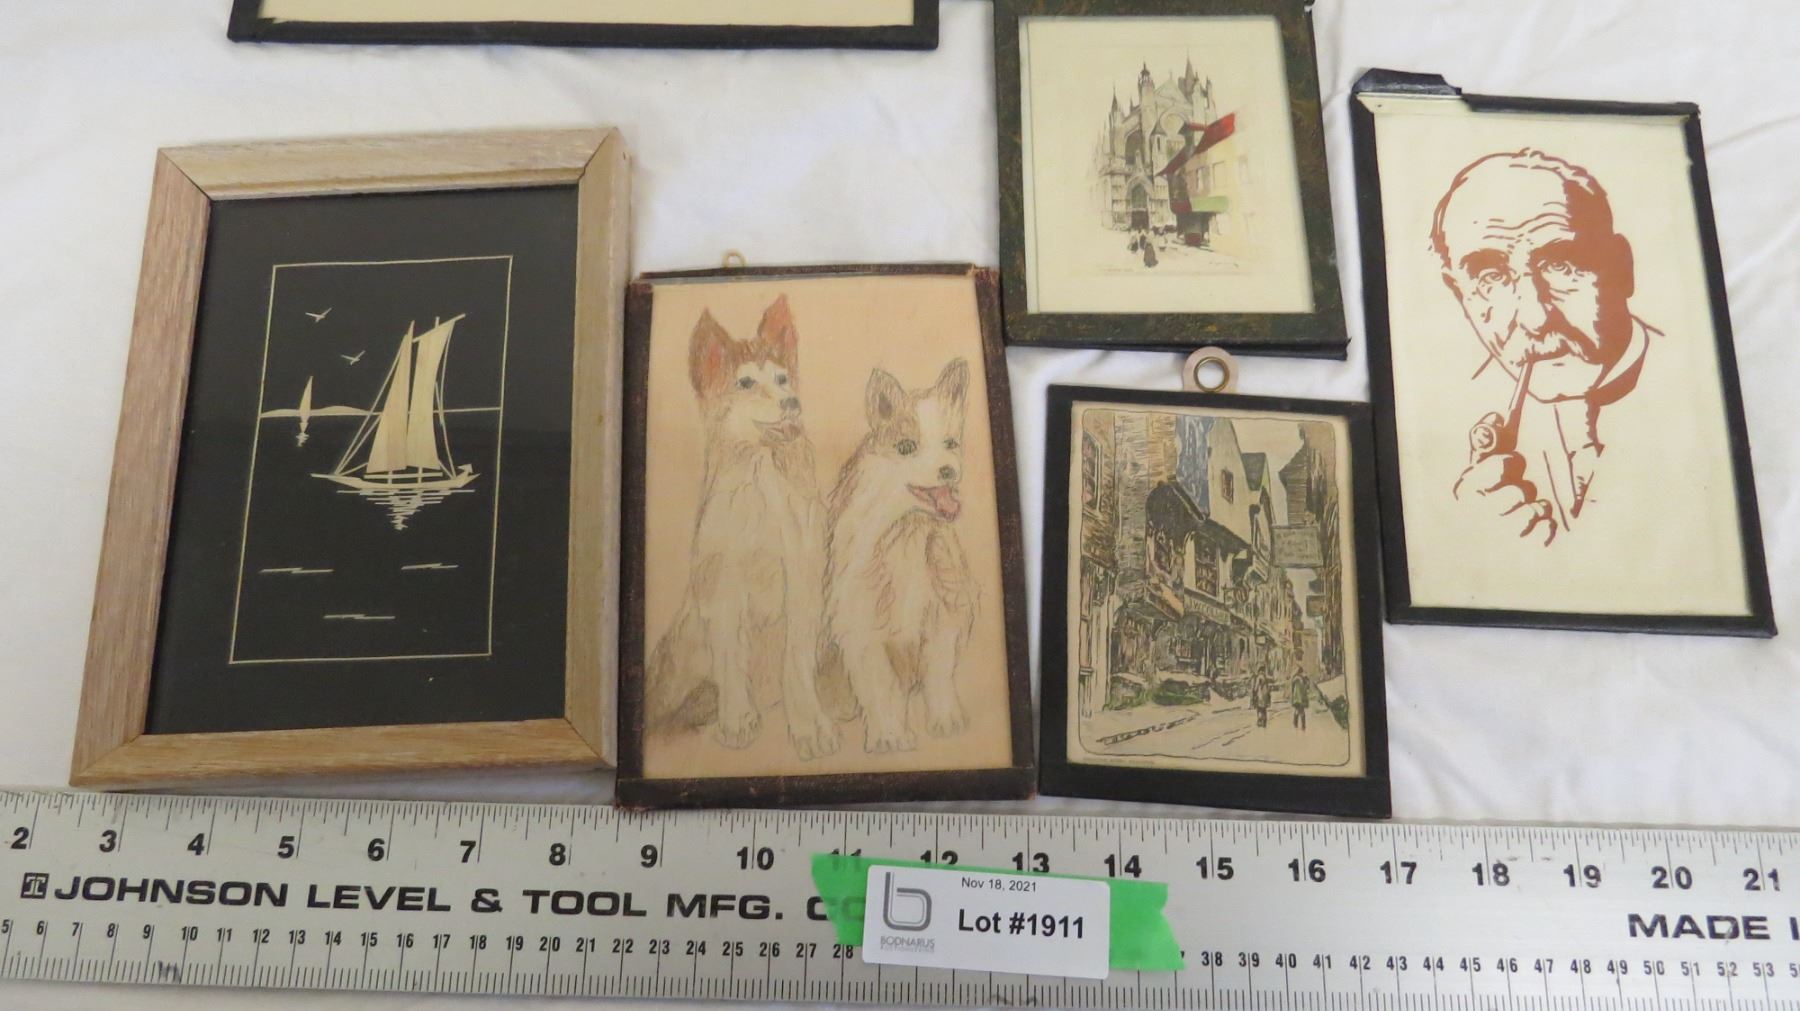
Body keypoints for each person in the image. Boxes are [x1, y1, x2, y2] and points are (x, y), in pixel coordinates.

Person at [1430, 150, 1653, 545]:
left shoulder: (1705, 390)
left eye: (1562, 264)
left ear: (1622, 267)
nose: (1535, 318)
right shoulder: (1440, 411)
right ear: (1459, 294)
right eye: (1491, 277)